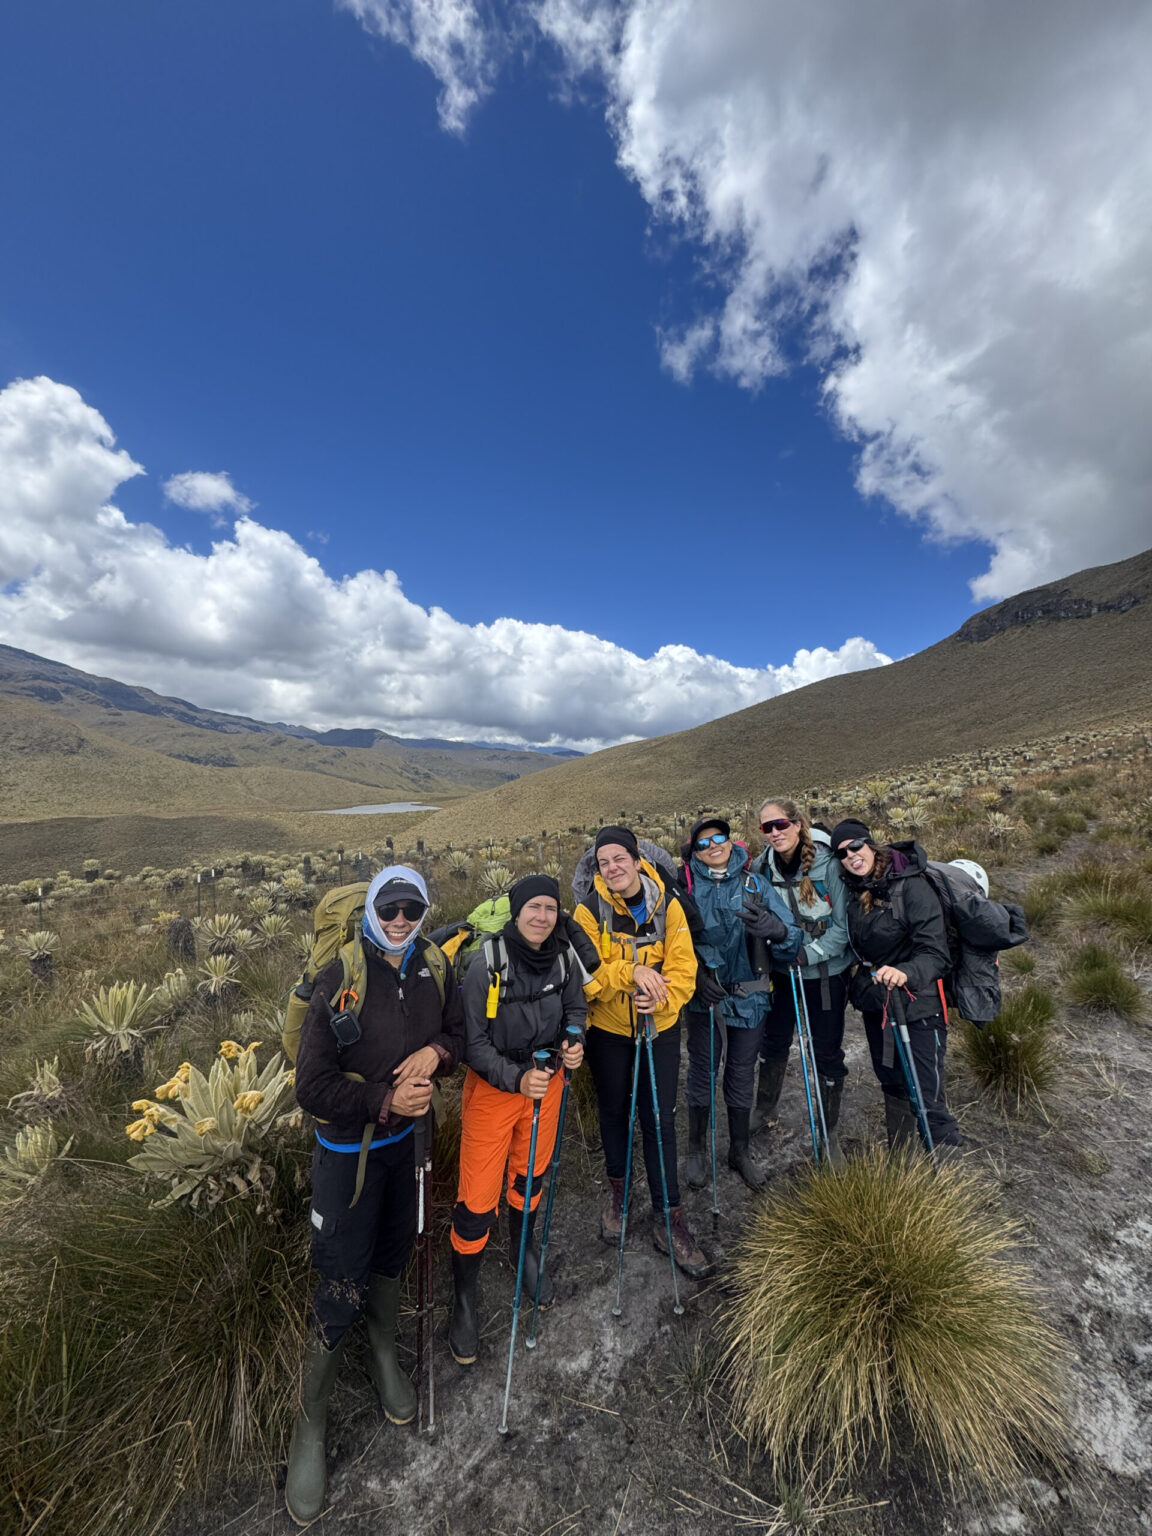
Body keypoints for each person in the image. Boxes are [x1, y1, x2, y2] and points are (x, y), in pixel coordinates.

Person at [288, 866, 465, 1526]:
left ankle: (385, 1350)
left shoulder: (431, 965)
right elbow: (312, 1085)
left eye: (410, 907)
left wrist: (437, 1060)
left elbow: (457, 1035)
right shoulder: (340, 976)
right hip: (347, 1159)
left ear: (424, 910)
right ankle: (311, 1425)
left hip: (407, 1152)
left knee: (394, 1250)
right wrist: (383, 1099)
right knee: (340, 1272)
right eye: (388, 907)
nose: (399, 917)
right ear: (370, 908)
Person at [448, 874, 588, 1366]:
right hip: (494, 1091)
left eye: (550, 908)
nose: (542, 917)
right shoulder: (487, 962)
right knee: (477, 1200)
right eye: (533, 908)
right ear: (516, 910)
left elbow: (576, 1007)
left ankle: (522, 1253)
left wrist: (575, 1041)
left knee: (530, 1176)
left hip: (546, 1087)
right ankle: (463, 1299)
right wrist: (514, 1078)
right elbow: (472, 1043)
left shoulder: (566, 957)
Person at [573, 826, 707, 1278]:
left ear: (635, 858)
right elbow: (589, 973)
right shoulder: (587, 911)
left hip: (659, 1029)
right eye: (603, 862)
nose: (611, 868)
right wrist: (633, 974)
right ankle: (619, 1191)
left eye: (619, 858)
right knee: (614, 1113)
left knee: (659, 1119)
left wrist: (661, 998)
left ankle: (669, 1216)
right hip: (609, 1030)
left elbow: (684, 968)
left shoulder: (667, 904)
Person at [679, 815, 801, 1190]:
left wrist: (778, 930)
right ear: (694, 852)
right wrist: (695, 978)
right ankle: (696, 1149)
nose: (712, 846)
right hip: (705, 1000)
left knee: (740, 1073)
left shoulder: (756, 885)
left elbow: (792, 939)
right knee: (702, 1071)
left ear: (731, 842)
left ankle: (739, 1150)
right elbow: (671, 946)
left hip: (750, 998)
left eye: (719, 838)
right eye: (702, 843)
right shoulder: (683, 891)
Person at [830, 818, 962, 1151]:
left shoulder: (911, 886)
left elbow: (936, 953)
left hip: (919, 1003)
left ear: (870, 844)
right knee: (891, 1079)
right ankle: (901, 1160)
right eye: (842, 853)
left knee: (925, 1088)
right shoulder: (855, 890)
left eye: (856, 846)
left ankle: (944, 1168)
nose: (851, 856)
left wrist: (906, 972)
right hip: (879, 1002)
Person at [748, 798, 854, 1163]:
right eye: (767, 828)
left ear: (797, 824)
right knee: (774, 1042)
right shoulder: (761, 867)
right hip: (781, 973)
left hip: (825, 974)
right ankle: (763, 1110)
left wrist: (807, 953)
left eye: (780, 824)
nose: (774, 833)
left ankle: (830, 1131)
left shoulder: (829, 866)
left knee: (826, 1051)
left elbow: (843, 930)